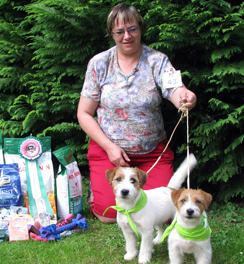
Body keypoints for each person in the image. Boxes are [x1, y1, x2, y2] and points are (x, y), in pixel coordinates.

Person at [77, 3, 197, 223]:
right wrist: (109, 147)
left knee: (166, 209)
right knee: (109, 214)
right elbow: (84, 113)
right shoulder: (99, 63)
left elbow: (174, 89)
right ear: (111, 34)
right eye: (119, 31)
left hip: (152, 152)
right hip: (111, 154)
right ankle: (97, 192)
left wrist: (185, 96)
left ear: (140, 29)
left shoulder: (157, 60)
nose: (127, 36)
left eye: (132, 29)